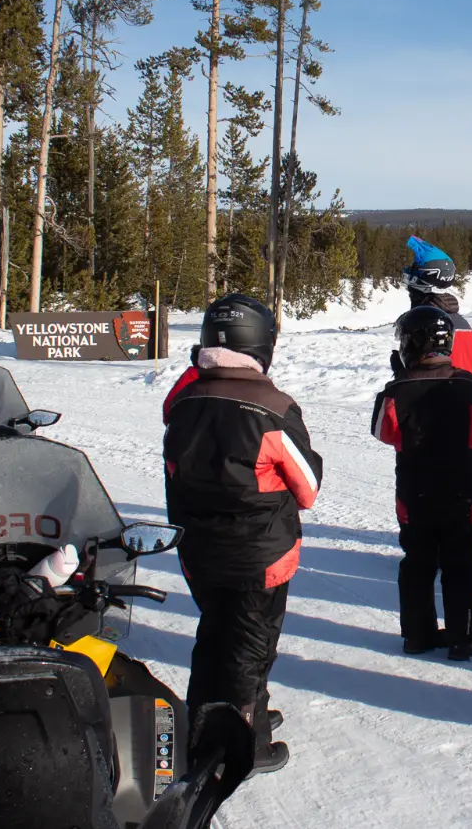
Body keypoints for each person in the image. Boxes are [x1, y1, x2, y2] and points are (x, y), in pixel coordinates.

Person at [162, 294, 323, 775]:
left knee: (214, 634)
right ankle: (243, 746)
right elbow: (308, 488)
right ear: (260, 345)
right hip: (260, 557)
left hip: (199, 551)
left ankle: (208, 724)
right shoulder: (273, 408)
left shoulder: (183, 402)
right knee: (250, 648)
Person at [371, 306, 472, 660]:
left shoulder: (397, 391)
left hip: (416, 497)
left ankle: (417, 635)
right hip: (463, 494)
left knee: (418, 564)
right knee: (461, 565)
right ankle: (463, 638)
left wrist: (401, 383)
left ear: (411, 344)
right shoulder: (469, 386)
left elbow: (382, 431)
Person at [402, 236, 472, 374]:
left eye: (414, 268)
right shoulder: (462, 323)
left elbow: (430, 376)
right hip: (463, 386)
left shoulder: (426, 326)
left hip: (437, 387)